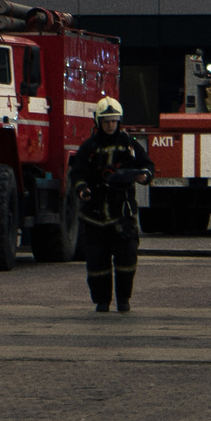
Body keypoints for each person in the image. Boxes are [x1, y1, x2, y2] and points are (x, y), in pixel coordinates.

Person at [70, 97, 151, 313]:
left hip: (122, 214)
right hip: (94, 214)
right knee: (97, 264)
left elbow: (146, 165)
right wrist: (82, 189)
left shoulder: (129, 145)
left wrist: (143, 176)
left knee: (127, 260)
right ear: (98, 122)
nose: (110, 125)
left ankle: (124, 299)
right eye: (106, 121)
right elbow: (77, 172)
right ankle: (102, 301)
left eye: (114, 121)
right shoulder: (89, 147)